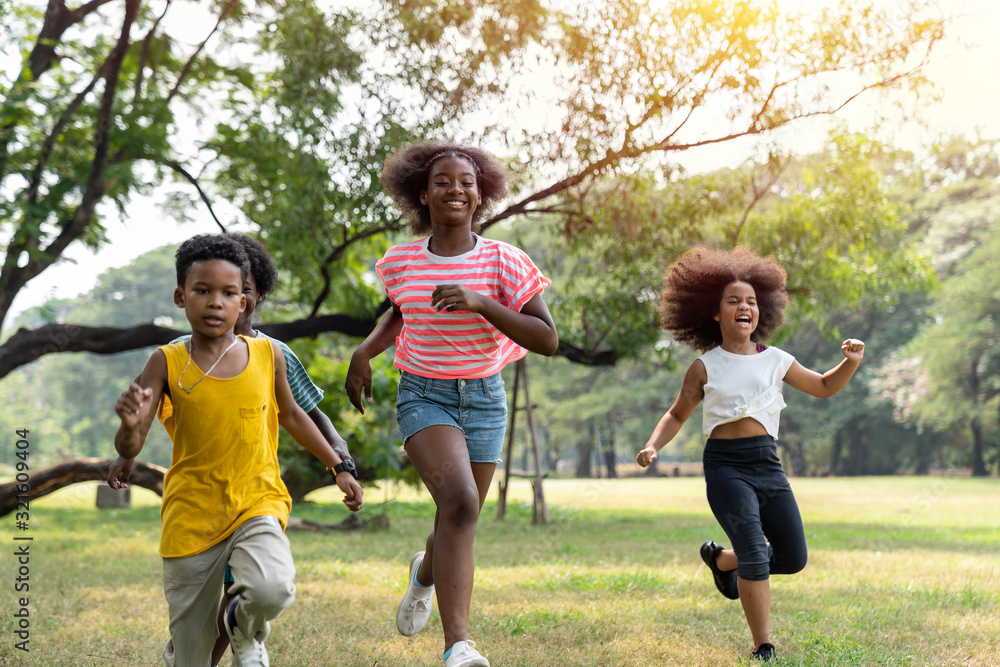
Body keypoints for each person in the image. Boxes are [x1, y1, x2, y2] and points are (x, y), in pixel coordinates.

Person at [345, 142, 559, 667]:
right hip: (424, 392)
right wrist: (365, 351)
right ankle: (458, 647)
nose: (455, 189)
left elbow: (547, 339)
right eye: (443, 181)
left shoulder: (504, 261)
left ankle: (425, 573)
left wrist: (482, 302)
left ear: (480, 193)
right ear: (423, 193)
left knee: (458, 515)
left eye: (466, 181)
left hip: (485, 397)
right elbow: (403, 312)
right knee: (461, 502)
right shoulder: (401, 261)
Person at [109, 234, 363, 667]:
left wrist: (337, 464)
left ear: (243, 303)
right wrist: (129, 429)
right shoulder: (165, 361)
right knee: (192, 658)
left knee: (273, 587)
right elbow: (132, 442)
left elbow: (295, 415)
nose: (215, 302)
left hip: (256, 499)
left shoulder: (267, 354)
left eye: (229, 293)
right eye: (202, 291)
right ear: (180, 296)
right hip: (191, 515)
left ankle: (242, 625)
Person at [635, 247, 864, 663]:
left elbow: (825, 386)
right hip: (726, 466)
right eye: (734, 301)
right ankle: (763, 646)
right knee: (757, 554)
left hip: (768, 464)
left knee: (793, 558)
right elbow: (676, 413)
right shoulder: (704, 367)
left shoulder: (777, 360)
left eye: (752, 302)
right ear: (716, 313)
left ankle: (723, 561)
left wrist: (850, 362)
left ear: (762, 312)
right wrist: (653, 445)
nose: (745, 307)